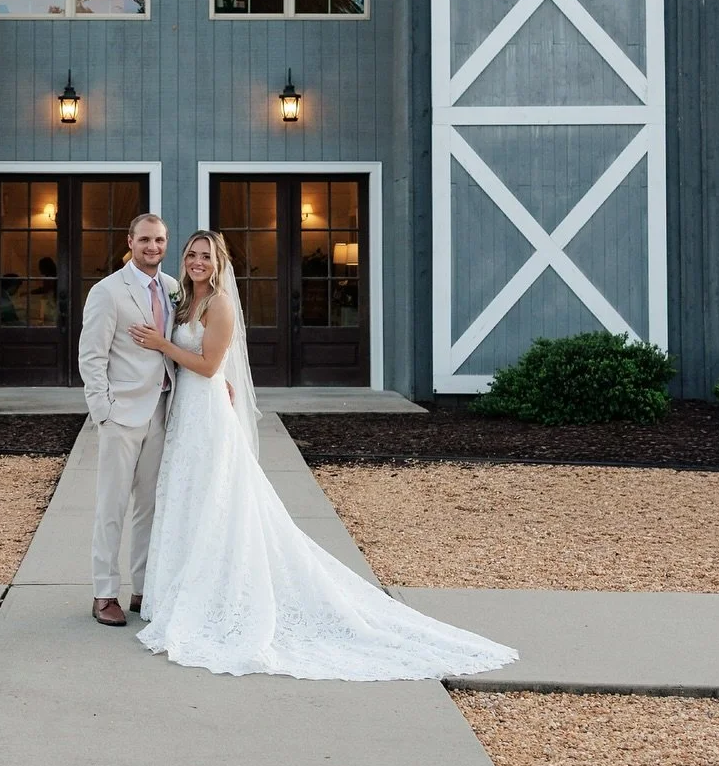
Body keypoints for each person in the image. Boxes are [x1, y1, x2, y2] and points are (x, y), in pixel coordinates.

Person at [127, 231, 519, 681]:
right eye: (191, 255)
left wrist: (163, 346)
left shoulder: (220, 305)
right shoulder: (182, 301)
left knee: (218, 499)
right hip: (187, 413)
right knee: (187, 496)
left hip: (210, 416)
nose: (197, 262)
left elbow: (211, 366)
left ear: (220, 262)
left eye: (206, 256)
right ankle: (183, 590)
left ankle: (218, 595)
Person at [78, 212, 176, 626]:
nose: (153, 247)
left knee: (150, 507)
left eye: (159, 240)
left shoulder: (173, 289)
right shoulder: (107, 291)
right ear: (130, 241)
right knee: (112, 505)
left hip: (162, 411)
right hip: (121, 414)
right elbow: (92, 356)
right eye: (146, 240)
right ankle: (104, 593)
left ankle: (142, 588)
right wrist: (104, 412)